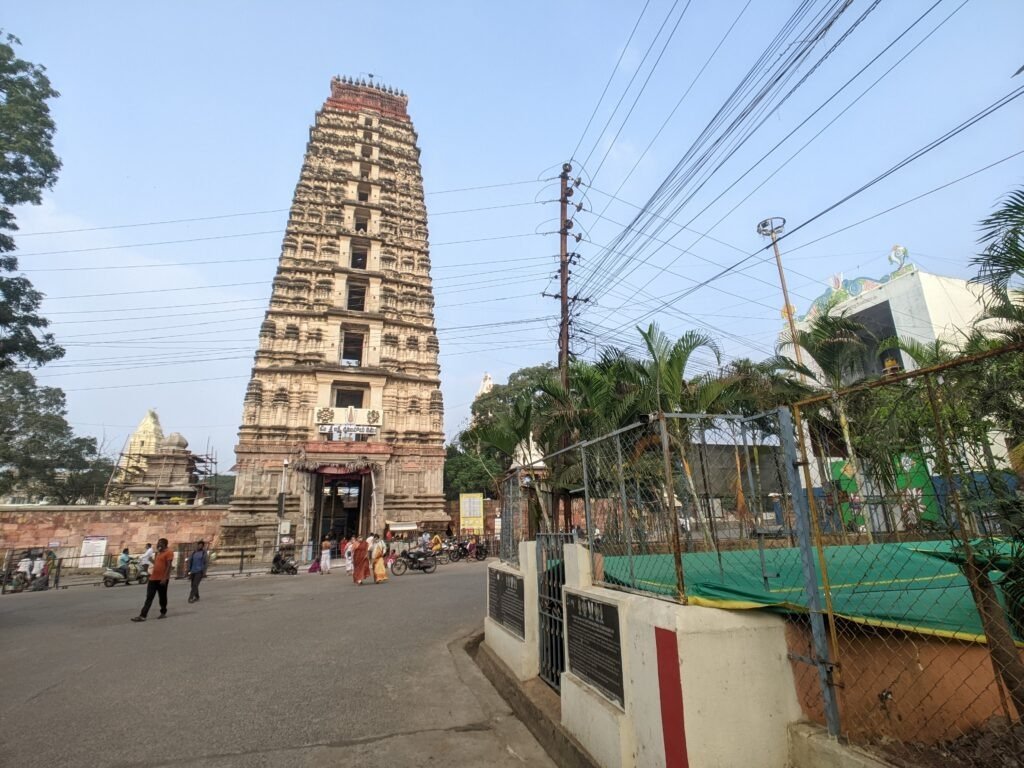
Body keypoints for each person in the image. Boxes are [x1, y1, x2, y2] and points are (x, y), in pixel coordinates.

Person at [132, 538, 172, 622]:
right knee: (149, 597)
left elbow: (168, 566)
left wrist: (165, 578)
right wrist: (151, 560)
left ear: (165, 544)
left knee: (162, 597)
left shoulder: (169, 552)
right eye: (158, 543)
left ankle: (163, 612)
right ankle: (143, 615)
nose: (158, 545)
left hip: (162, 579)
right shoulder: (158, 553)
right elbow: (157, 564)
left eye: (160, 543)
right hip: (153, 578)